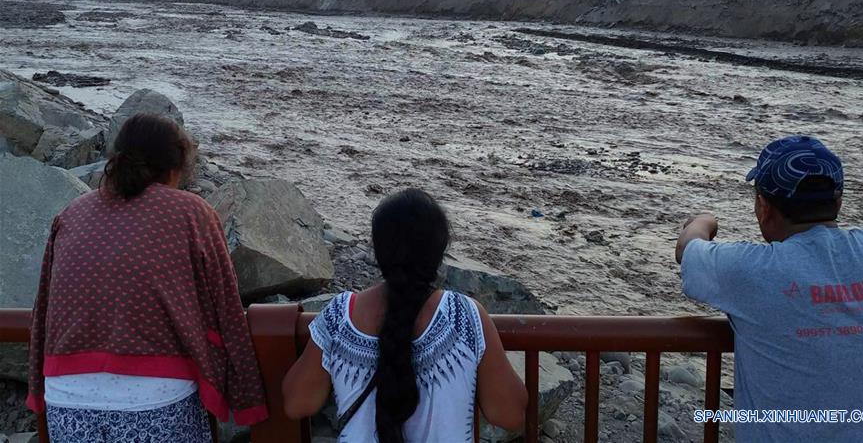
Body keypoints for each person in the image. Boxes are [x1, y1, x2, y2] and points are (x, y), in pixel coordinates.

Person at [28, 113, 268, 442]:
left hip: (65, 398)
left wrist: (35, 389)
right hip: (156, 398)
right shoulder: (190, 211)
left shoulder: (72, 212)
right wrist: (249, 398)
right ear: (176, 165)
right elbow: (225, 304)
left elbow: (43, 308)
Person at [676, 135, 863, 442]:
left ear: (763, 207)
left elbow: (687, 250)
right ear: (838, 202)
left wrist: (704, 220)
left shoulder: (750, 270)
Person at [282, 188, 527, 441]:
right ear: (439, 251)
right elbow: (510, 415)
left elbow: (296, 404)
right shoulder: (463, 315)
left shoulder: (341, 315)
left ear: (378, 250)